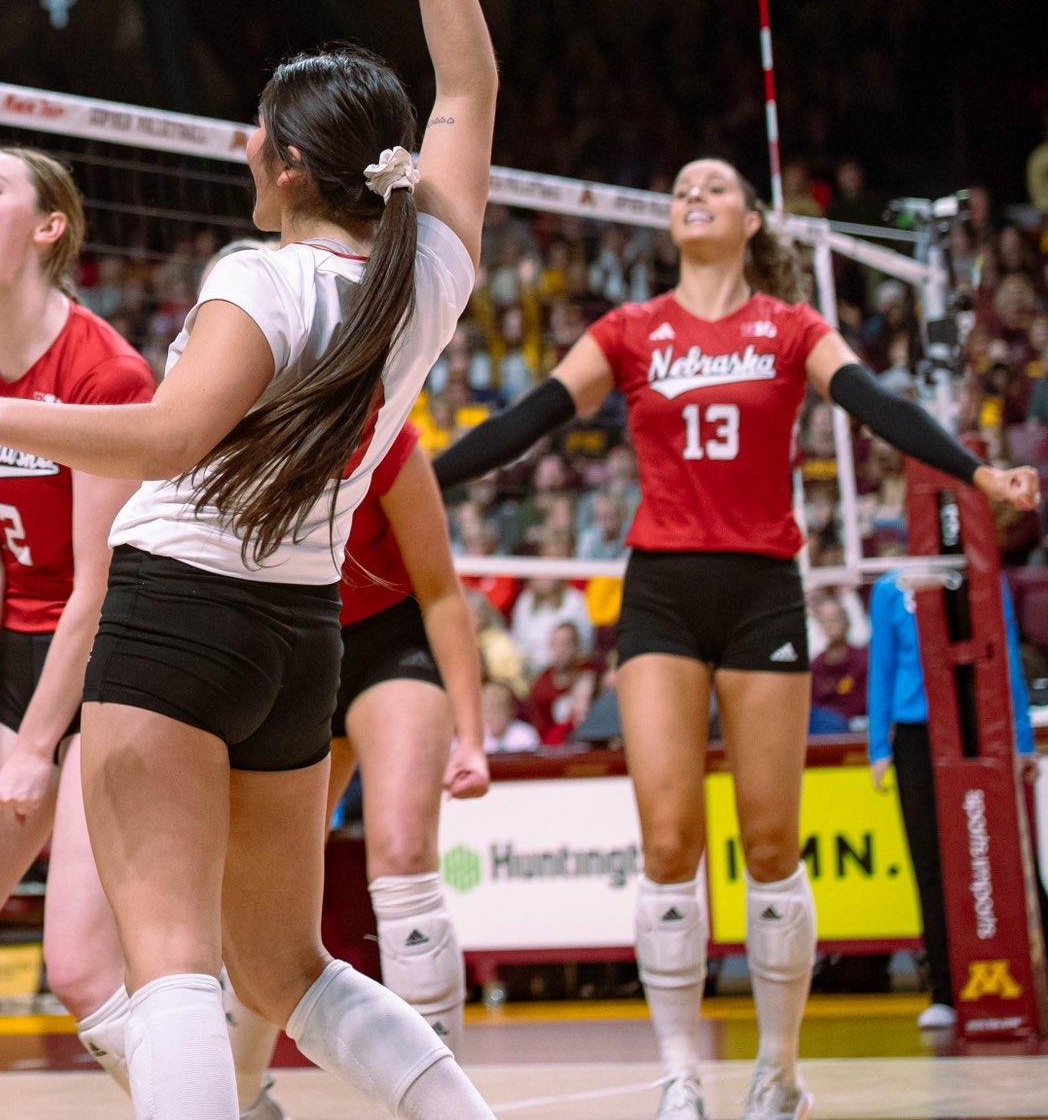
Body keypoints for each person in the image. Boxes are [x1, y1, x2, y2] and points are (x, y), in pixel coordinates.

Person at [0, 0, 496, 1119]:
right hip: (298, 634)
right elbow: (467, 85)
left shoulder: (260, 276)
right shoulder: (431, 275)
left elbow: (168, 439)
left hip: (173, 617)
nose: (242, 151)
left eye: (254, 138)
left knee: (169, 967)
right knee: (285, 965)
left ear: (285, 164)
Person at [433, 158, 1040, 1120]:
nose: (691, 195)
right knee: (669, 841)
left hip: (763, 588)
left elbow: (878, 406)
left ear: (753, 220)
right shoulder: (629, 330)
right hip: (663, 594)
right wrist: (422, 477)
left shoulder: (792, 328)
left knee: (769, 842)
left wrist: (977, 473)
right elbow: (530, 419)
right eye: (678, 188)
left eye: (713, 187)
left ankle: (780, 1072)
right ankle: (681, 1075)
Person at [0, 151, 284, 1119]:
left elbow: (95, 583)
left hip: (111, 671)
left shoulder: (105, 371)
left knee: (85, 973)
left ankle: (239, 1109)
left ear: (47, 226)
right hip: (13, 663)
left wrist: (43, 747)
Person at [323, 418, 490, 1051]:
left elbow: (442, 592)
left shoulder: (378, 430)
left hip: (388, 642)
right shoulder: (229, 418)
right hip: (292, 649)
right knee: (260, 903)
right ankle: (245, 1097)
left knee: (401, 853)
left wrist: (471, 738)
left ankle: (440, 1095)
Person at [866, 570, 1039, 1031]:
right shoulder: (890, 589)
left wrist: (1021, 737)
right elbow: (881, 665)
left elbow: (1006, 657)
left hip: (977, 724)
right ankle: (944, 989)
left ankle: (1026, 978)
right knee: (930, 863)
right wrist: (879, 748)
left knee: (996, 856)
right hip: (917, 736)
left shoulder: (984, 575)